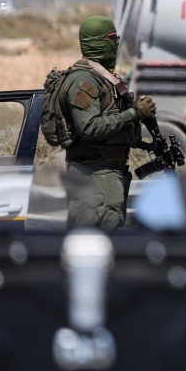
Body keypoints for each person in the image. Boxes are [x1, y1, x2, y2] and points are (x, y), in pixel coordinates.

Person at [62, 15, 157, 231]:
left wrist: (147, 143)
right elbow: (89, 127)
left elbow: (112, 129)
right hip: (94, 177)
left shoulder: (103, 77)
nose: (115, 44)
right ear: (95, 42)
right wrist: (134, 113)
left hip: (108, 176)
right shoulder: (83, 80)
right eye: (111, 38)